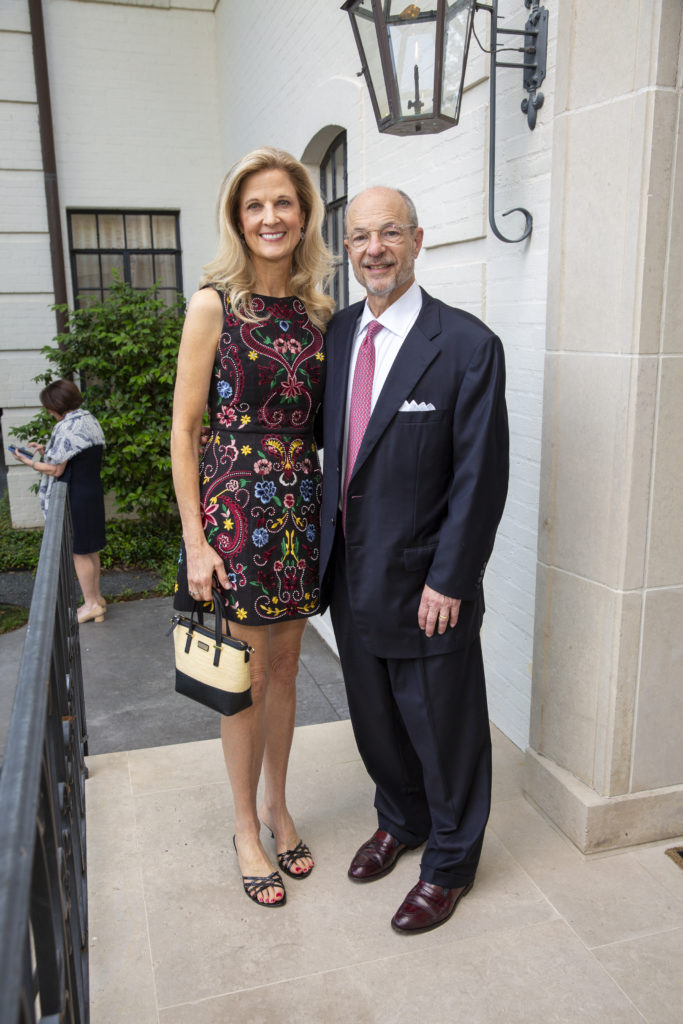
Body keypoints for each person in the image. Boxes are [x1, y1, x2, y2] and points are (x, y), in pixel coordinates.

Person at [319, 186, 509, 934]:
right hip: (348, 576)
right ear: (347, 248)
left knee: (442, 728)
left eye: (389, 233)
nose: (374, 248)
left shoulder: (465, 345)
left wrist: (450, 578)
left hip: (427, 582)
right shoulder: (336, 334)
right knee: (374, 722)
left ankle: (451, 861)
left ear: (417, 240)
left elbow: (479, 478)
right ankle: (401, 819)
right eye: (361, 235)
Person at [171, 147, 334, 908]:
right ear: (238, 220)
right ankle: (244, 825)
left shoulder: (318, 313)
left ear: (304, 215)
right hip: (233, 513)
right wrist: (195, 543)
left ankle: (277, 804)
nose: (270, 218)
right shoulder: (214, 304)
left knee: (287, 670)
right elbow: (184, 428)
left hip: (298, 511)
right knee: (241, 677)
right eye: (254, 206)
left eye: (283, 204)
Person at [12, 378, 107, 624]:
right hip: (91, 492)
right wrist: (46, 450)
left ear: (55, 406)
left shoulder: (66, 428)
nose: (48, 411)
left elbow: (56, 470)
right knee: (90, 550)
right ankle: (97, 600)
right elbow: (77, 455)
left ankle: (91, 605)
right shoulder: (88, 419)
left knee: (79, 553)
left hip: (77, 496)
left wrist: (29, 462)